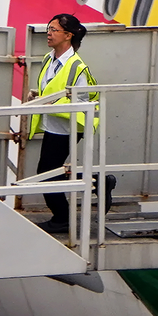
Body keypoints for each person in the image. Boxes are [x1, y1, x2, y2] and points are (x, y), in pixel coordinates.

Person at [28, 14, 116, 234]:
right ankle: (95, 182)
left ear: (68, 36)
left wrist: (54, 103)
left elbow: (84, 100)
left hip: (67, 128)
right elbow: (56, 89)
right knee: (49, 171)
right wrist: (39, 95)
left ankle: (63, 218)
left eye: (54, 30)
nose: (48, 33)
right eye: (49, 28)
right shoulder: (49, 59)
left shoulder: (78, 67)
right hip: (52, 125)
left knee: (45, 173)